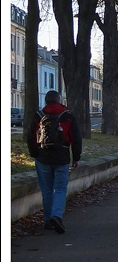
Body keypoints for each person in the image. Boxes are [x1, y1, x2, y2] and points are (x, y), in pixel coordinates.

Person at [27, 89, 82, 234]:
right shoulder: (67, 115)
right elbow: (76, 137)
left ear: (46, 101)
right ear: (59, 100)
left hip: (43, 157)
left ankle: (47, 220)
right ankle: (56, 215)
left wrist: (35, 154)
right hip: (62, 156)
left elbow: (31, 136)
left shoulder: (39, 115)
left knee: (46, 190)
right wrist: (76, 157)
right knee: (60, 188)